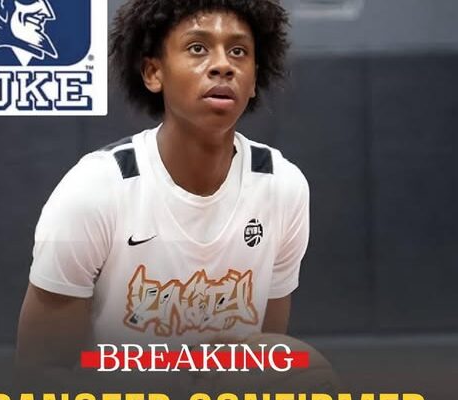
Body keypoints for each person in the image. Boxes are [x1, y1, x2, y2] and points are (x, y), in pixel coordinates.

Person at [16, 0, 309, 370]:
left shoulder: (283, 187)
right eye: (198, 48)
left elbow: (266, 356)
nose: (223, 65)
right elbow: (40, 371)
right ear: (154, 72)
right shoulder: (93, 191)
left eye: (238, 51)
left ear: (253, 81)